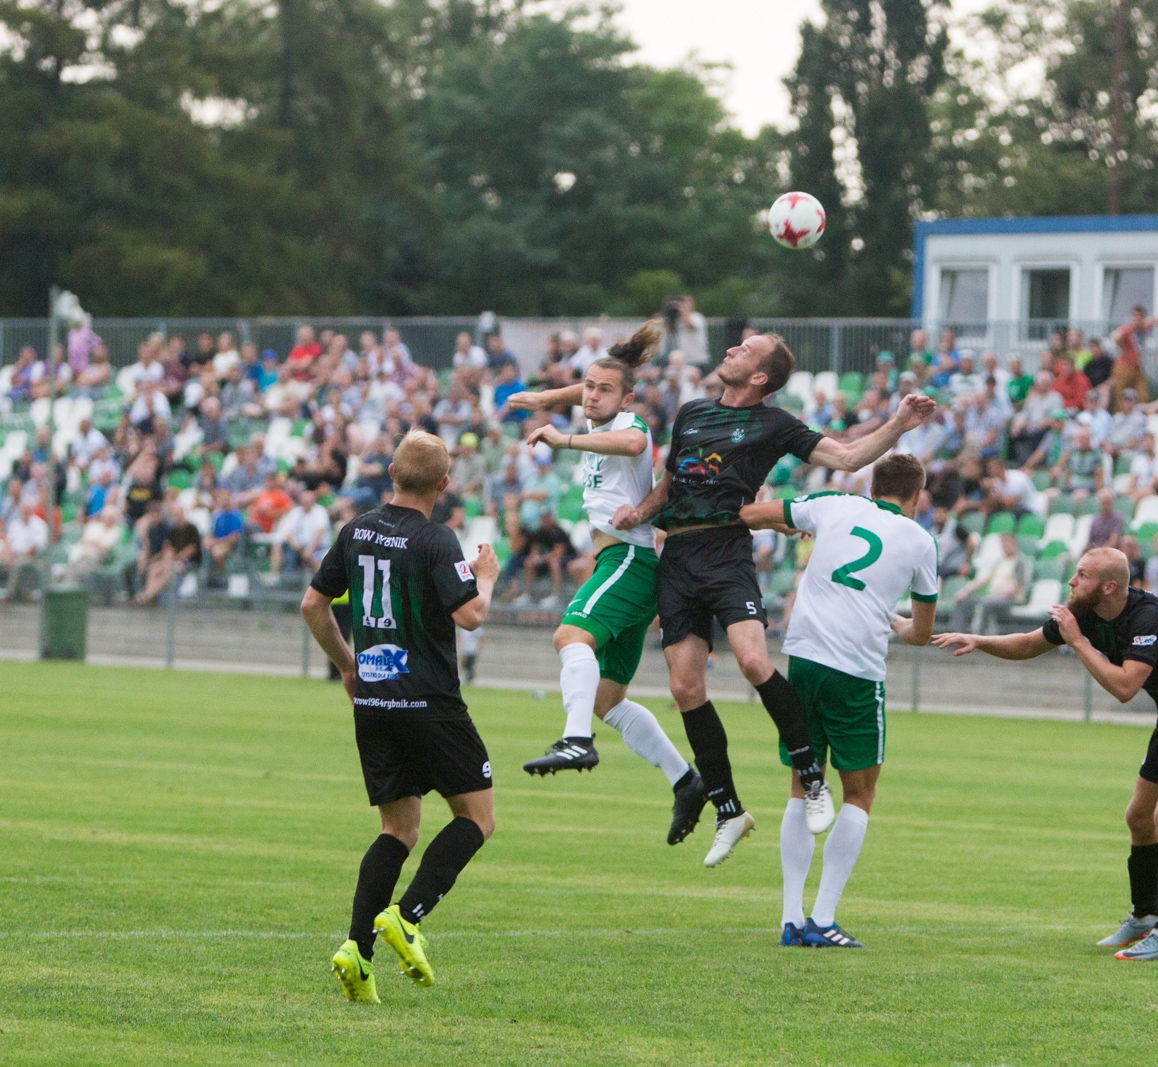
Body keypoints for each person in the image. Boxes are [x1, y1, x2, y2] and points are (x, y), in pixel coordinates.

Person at [548, 331, 934, 867]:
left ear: (760, 377)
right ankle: (728, 810)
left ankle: (812, 778)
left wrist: (898, 424)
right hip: (678, 558)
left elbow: (846, 458)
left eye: (745, 351)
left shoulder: (775, 424)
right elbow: (668, 482)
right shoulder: (691, 412)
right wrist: (640, 512)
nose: (732, 350)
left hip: (726, 551)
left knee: (754, 660)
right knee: (685, 688)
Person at [934, 546, 1158, 962]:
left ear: (1109, 586)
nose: (1071, 581)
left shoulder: (1146, 618)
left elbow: (1124, 688)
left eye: (1081, 574)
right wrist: (979, 639)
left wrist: (1079, 643)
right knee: (1138, 817)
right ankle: (1143, 916)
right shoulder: (1083, 611)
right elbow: (1029, 645)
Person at [301, 429, 500, 1005]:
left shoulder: (355, 530)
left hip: (376, 703)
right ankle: (406, 917)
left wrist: (347, 666)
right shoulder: (439, 539)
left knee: (398, 830)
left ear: (391, 471)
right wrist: (484, 573)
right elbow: (470, 616)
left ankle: (356, 951)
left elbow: (314, 605)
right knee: (477, 818)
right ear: (443, 483)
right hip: (430, 704)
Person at [515, 323, 709, 846]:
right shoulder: (599, 406)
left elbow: (632, 440)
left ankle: (576, 741)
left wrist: (564, 437)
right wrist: (545, 396)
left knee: (569, 638)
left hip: (629, 559)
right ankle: (686, 781)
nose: (592, 396)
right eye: (588, 389)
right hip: (627, 561)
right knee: (607, 696)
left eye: (604, 390)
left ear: (626, 397)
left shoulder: (629, 426)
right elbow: (587, 392)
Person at [739, 454, 939, 948]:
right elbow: (920, 634)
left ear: (873, 485)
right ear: (917, 496)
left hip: (803, 658)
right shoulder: (920, 540)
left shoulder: (834, 505)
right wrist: (894, 621)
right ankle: (822, 918)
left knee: (803, 785)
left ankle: (789, 917)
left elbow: (754, 515)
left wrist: (789, 525)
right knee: (859, 794)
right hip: (855, 669)